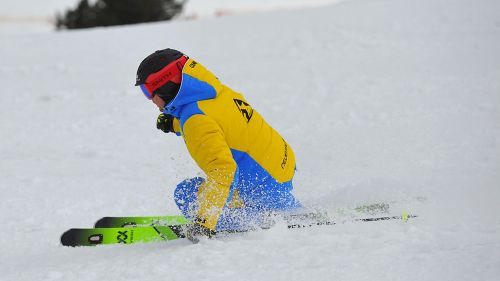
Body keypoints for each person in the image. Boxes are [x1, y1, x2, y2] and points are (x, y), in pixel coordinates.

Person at [135, 48, 301, 239]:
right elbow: (219, 125)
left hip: (260, 191)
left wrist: (205, 222)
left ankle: (262, 215)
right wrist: (176, 123)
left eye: (148, 91)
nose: (149, 99)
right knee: (204, 187)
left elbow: (224, 170)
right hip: (280, 170)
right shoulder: (217, 92)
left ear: (167, 84)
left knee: (185, 194)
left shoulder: (195, 120)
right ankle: (277, 205)